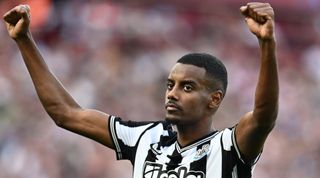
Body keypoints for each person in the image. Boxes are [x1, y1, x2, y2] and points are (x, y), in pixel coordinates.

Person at [3, 2, 278, 178]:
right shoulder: (146, 137)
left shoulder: (229, 146)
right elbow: (64, 113)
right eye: (170, 85)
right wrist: (24, 39)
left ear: (214, 99)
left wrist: (267, 43)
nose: (172, 93)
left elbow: (264, 115)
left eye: (187, 87)